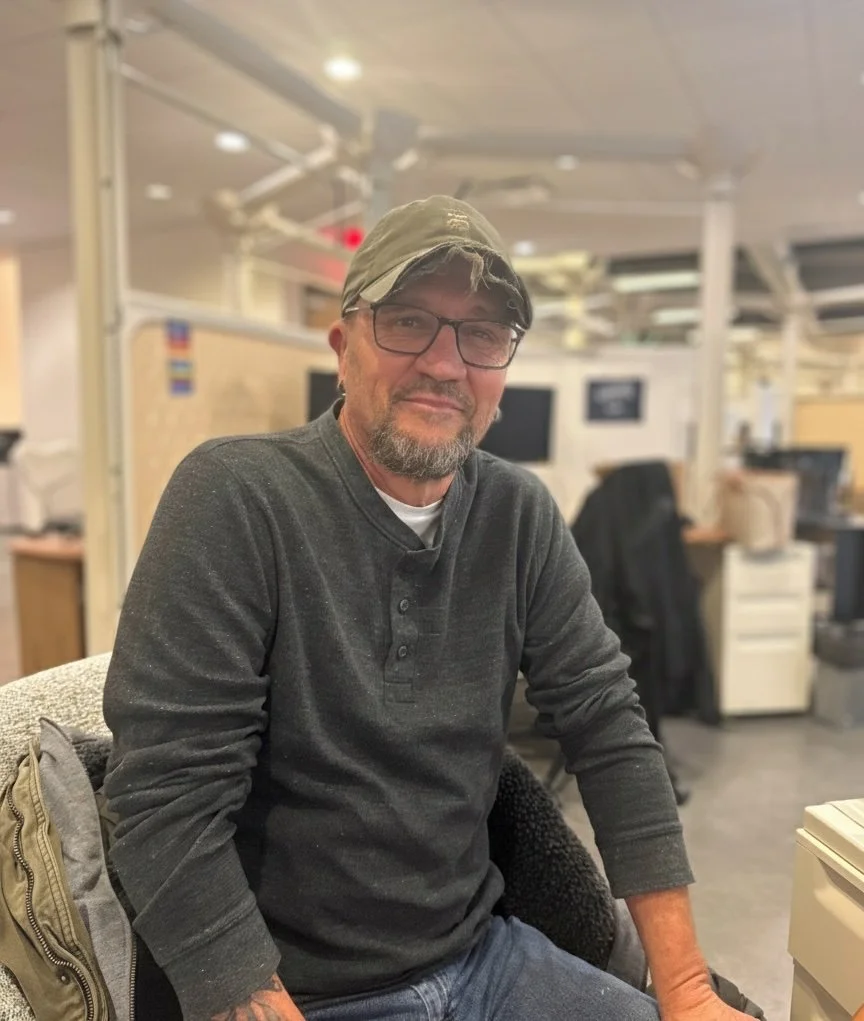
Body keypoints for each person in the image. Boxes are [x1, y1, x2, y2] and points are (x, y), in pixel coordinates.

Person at [103, 195, 750, 1021]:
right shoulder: (236, 497)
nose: (446, 363)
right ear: (343, 346)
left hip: (485, 958)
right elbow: (164, 796)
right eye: (408, 320)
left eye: (481, 333)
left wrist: (689, 993)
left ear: (503, 372)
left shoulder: (519, 513)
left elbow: (609, 728)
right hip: (298, 989)